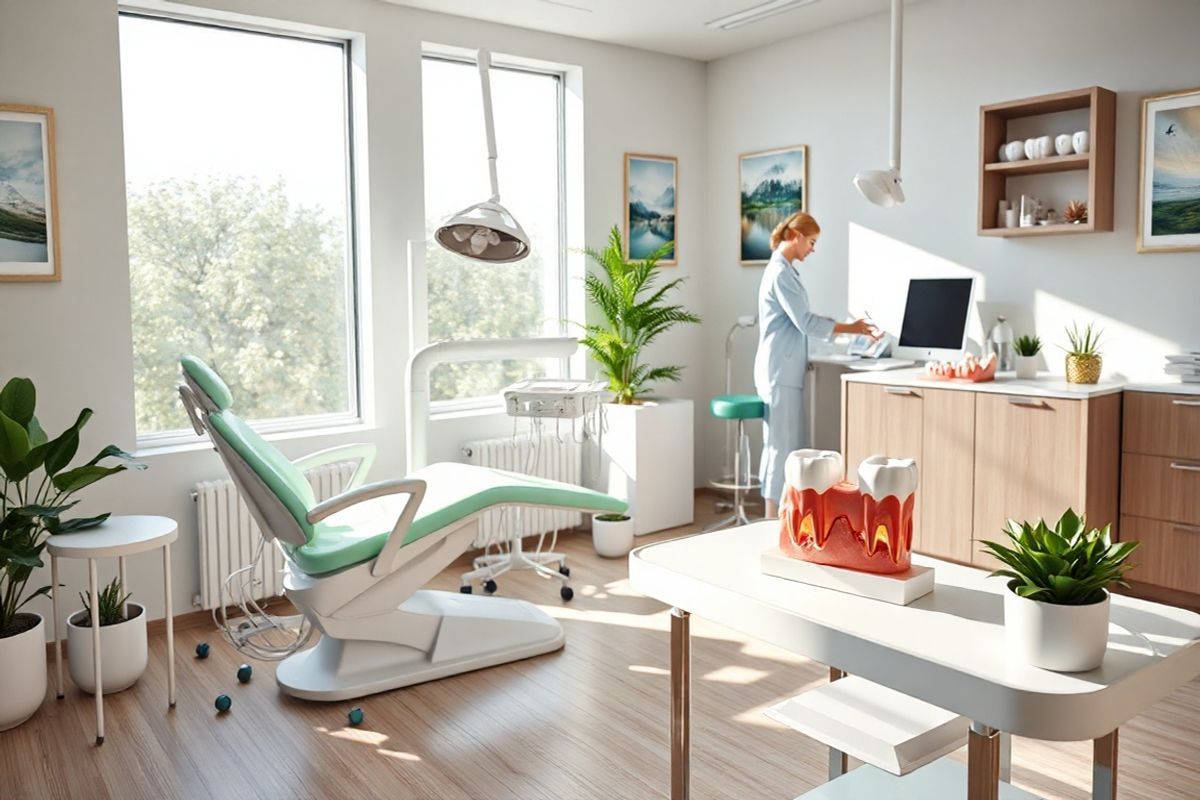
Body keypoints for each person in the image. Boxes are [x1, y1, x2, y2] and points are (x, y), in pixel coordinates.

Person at [754, 211, 877, 518]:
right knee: (782, 447)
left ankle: (780, 513)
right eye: (810, 242)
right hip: (779, 371)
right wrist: (852, 328)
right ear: (795, 236)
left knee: (785, 444)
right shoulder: (780, 273)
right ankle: (771, 517)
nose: (812, 249)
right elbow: (806, 322)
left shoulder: (784, 271)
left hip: (783, 368)